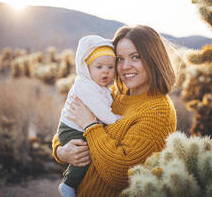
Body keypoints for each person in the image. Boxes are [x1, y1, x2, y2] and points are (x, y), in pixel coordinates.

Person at [52, 25, 177, 197]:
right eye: (119, 59)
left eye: (135, 57)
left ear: (153, 58)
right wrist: (62, 152)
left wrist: (90, 125)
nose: (125, 66)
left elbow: (121, 175)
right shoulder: (113, 94)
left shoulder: (158, 111)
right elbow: (70, 124)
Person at [57, 35, 122, 197]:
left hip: (75, 126)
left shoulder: (100, 87)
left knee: (86, 151)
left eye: (110, 67)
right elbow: (101, 111)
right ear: (87, 68)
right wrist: (114, 119)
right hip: (71, 129)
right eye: (99, 67)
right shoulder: (87, 87)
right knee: (85, 155)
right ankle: (68, 184)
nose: (105, 71)